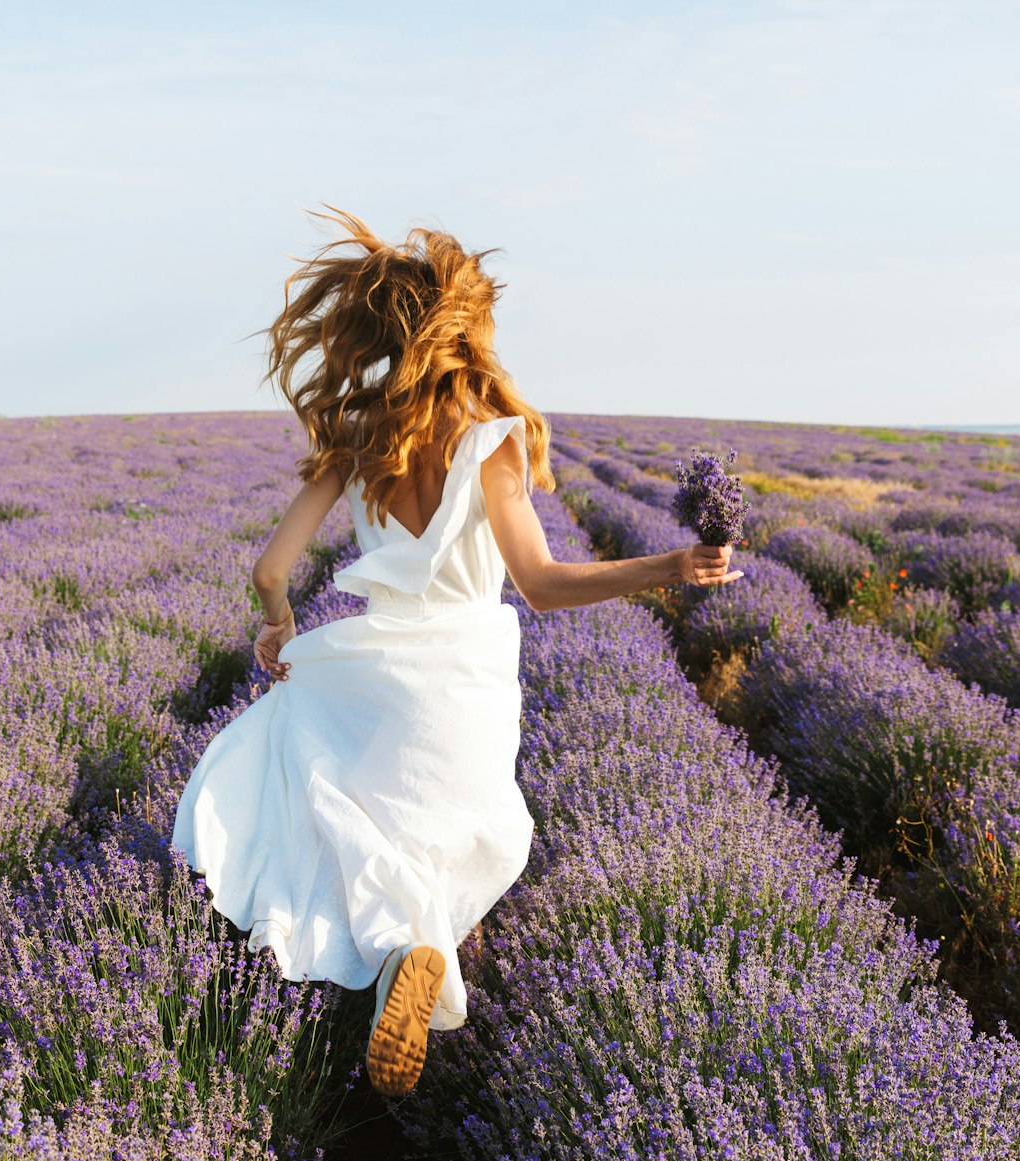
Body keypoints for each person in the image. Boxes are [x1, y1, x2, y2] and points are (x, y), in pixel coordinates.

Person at [171, 206, 739, 1097]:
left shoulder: (356, 436)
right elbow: (543, 582)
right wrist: (670, 565)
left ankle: (403, 955)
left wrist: (280, 629)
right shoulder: (490, 442)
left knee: (339, 818)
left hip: (367, 669)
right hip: (462, 683)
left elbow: (270, 566)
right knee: (445, 839)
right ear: (466, 328)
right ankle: (420, 958)